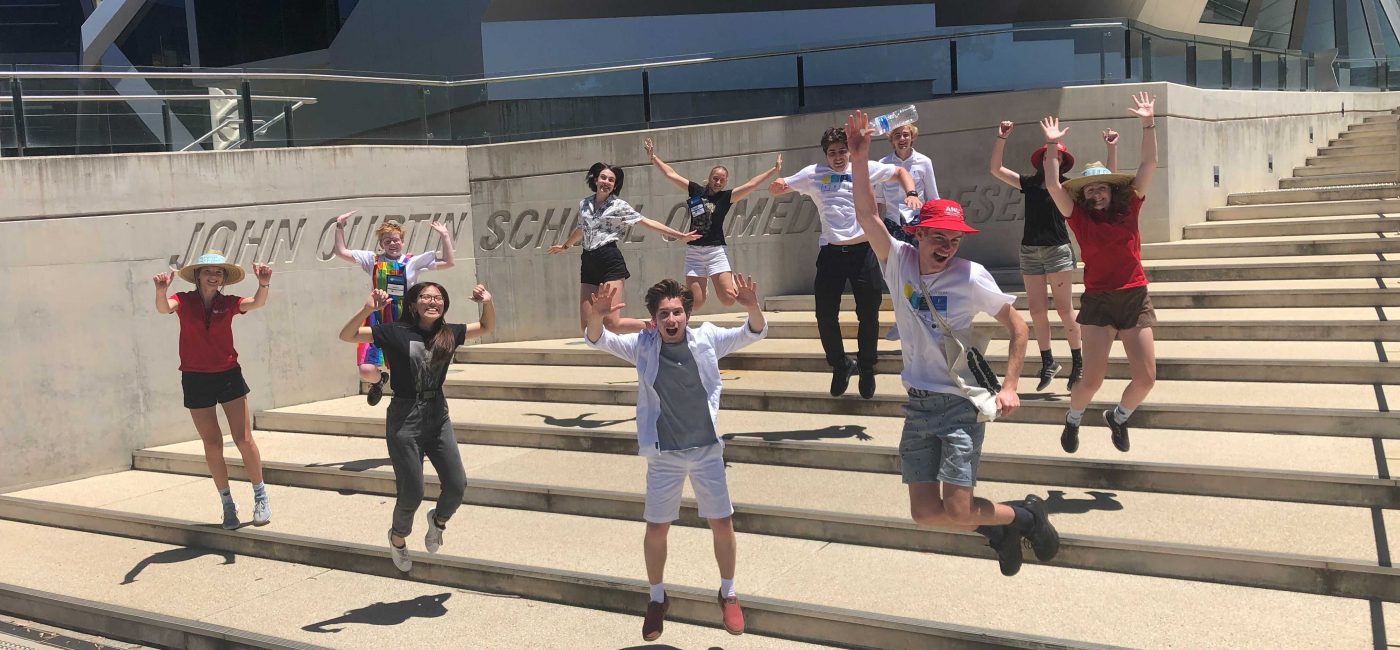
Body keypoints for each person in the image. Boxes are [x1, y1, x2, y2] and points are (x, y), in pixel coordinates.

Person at [846, 110, 1059, 577]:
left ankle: (1025, 516)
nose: (946, 246)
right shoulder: (897, 260)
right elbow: (865, 214)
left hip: (960, 403)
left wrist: (1010, 385)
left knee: (959, 509)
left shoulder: (970, 276)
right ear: (918, 233)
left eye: (954, 240)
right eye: (938, 237)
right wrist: (859, 159)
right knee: (924, 513)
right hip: (919, 403)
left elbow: (1018, 326)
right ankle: (1001, 529)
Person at [583, 276, 767, 641]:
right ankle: (656, 598)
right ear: (654, 318)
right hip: (664, 455)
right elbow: (597, 339)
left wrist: (752, 307)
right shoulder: (643, 345)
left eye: (678, 312)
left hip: (706, 453)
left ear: (687, 314)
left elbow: (752, 332)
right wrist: (596, 315)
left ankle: (728, 592)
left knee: (722, 523)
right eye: (664, 313)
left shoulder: (708, 338)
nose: (672, 319)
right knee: (656, 528)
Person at [338, 282, 496, 571]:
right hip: (404, 415)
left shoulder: (450, 333)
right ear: (413, 304)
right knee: (412, 490)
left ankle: (438, 522)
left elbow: (486, 326)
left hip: (438, 413)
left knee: (457, 485)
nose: (432, 302)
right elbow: (346, 335)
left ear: (444, 304)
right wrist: (368, 310)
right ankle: (397, 538)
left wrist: (487, 301)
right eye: (425, 297)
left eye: (437, 298)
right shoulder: (395, 332)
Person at [1039, 91, 1159, 454]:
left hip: (1134, 296)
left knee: (1146, 379)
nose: (1096, 192)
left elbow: (1150, 163)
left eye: (1101, 186)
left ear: (1110, 190)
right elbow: (1051, 185)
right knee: (1091, 380)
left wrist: (1147, 122)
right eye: (1090, 188)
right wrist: (1052, 149)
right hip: (1098, 302)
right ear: (1085, 195)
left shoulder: (1130, 209)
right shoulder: (1078, 219)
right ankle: (1073, 419)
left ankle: (1119, 417)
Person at [768, 126, 921, 399]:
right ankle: (840, 365)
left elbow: (899, 172)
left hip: (864, 250)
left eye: (842, 151)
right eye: (832, 153)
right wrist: (778, 186)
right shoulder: (813, 174)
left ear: (850, 152)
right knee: (825, 315)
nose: (838, 157)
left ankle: (866, 366)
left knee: (868, 314)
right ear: (825, 154)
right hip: (831, 254)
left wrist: (911, 193)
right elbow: (783, 185)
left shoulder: (863, 168)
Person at [988, 123, 1118, 392]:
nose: (1053, 159)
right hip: (1029, 250)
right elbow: (996, 170)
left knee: (1063, 309)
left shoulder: (1068, 188)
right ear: (1042, 159)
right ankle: (1048, 361)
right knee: (1036, 310)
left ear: (1062, 161)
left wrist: (1111, 148)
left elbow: (1107, 181)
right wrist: (1002, 138)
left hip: (1057, 250)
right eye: (1049, 154)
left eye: (1057, 155)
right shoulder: (1029, 184)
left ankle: (1077, 361)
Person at [153, 251, 274, 530]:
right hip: (195, 377)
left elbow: (256, 303)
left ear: (223, 279)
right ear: (198, 276)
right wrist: (161, 291)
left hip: (228, 374)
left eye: (218, 272)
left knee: (243, 438)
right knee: (212, 443)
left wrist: (263, 283)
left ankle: (261, 496)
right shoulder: (183, 300)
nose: (213, 276)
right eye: (208, 271)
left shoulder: (229, 303)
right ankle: (227, 504)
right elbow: (164, 308)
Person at [549, 162, 702, 334]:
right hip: (588, 262)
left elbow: (647, 222)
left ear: (615, 185)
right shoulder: (584, 204)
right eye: (604, 177)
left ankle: (655, 325)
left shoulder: (619, 206)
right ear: (596, 180)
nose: (606, 182)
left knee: (612, 323)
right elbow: (581, 228)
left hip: (609, 260)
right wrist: (565, 246)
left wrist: (680, 235)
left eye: (611, 180)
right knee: (586, 326)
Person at [332, 211, 457, 406]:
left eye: (396, 240)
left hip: (405, 321)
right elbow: (341, 252)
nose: (392, 243)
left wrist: (445, 236)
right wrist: (339, 226)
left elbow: (449, 262)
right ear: (381, 243)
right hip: (377, 319)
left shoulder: (412, 262)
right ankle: (379, 381)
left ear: (402, 242)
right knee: (366, 370)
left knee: (408, 367)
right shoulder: (372, 260)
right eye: (387, 240)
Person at [644, 137, 782, 311]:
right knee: (696, 303)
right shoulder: (695, 190)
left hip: (716, 251)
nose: (718, 182)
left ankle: (725, 279)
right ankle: (704, 286)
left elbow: (752, 184)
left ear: (726, 182)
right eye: (715, 178)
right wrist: (653, 157)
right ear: (709, 178)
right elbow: (671, 174)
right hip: (694, 252)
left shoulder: (726, 197)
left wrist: (774, 170)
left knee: (728, 299)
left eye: (722, 180)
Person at [877, 123, 940, 246]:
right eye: (897, 135)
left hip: (917, 223)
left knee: (919, 262)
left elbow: (933, 197)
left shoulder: (925, 162)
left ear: (912, 137)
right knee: (894, 264)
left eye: (906, 135)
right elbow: (878, 199)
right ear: (892, 139)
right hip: (892, 223)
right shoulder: (883, 164)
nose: (902, 139)